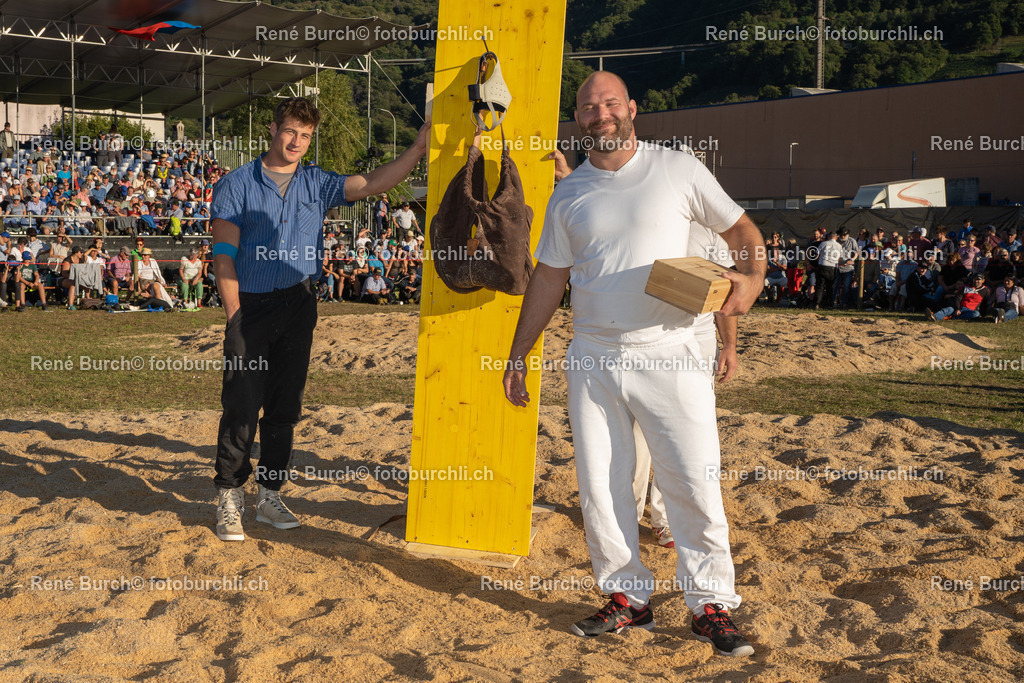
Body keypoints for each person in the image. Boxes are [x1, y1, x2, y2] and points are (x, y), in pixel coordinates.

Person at [502, 72, 763, 655]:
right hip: (593, 356)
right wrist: (518, 352)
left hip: (669, 351)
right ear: (579, 119)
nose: (600, 114)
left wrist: (753, 277)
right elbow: (549, 277)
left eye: (610, 103)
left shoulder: (678, 168)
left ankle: (711, 604)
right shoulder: (568, 194)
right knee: (602, 486)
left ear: (633, 109)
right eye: (588, 107)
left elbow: (741, 228)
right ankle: (628, 600)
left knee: (692, 479)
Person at [209, 96, 429, 542]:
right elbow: (223, 256)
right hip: (250, 306)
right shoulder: (236, 184)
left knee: (285, 408)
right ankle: (229, 495)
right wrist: (234, 317)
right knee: (241, 405)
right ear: (272, 129)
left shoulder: (316, 181)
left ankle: (268, 493)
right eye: (290, 131)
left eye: (305, 135)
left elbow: (371, 184)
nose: (297, 141)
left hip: (298, 303)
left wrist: (418, 149)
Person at [815, 231, 840, 309]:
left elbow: (817, 255)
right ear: (836, 237)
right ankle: (829, 304)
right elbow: (839, 258)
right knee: (830, 287)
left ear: (829, 236)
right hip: (832, 267)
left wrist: (819, 262)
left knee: (820, 286)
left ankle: (817, 303)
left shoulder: (823, 244)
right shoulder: (839, 246)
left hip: (822, 265)